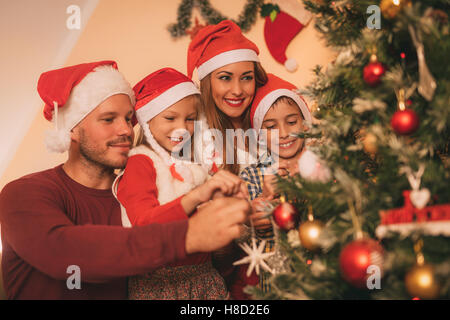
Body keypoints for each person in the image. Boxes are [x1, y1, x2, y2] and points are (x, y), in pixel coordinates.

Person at [0, 61, 250, 300]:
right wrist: (188, 234)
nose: (126, 130)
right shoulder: (24, 193)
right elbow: (64, 253)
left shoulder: (150, 193)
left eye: (129, 118)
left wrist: (230, 220)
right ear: (72, 128)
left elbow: (209, 268)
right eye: (109, 119)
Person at [114, 67, 248, 299]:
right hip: (161, 285)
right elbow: (145, 227)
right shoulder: (141, 163)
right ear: (147, 120)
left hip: (206, 278)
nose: (182, 128)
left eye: (190, 119)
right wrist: (197, 196)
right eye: (170, 118)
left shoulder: (193, 162)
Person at [187, 19, 268, 299]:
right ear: (208, 82)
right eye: (225, 77)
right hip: (224, 278)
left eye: (246, 77)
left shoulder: (264, 127)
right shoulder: (196, 139)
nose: (237, 90)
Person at [240, 73, 312, 293]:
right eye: (271, 127)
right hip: (276, 287)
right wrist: (261, 204)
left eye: (291, 122)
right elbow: (243, 234)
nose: (283, 133)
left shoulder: (322, 167)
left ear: (306, 124)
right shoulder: (252, 176)